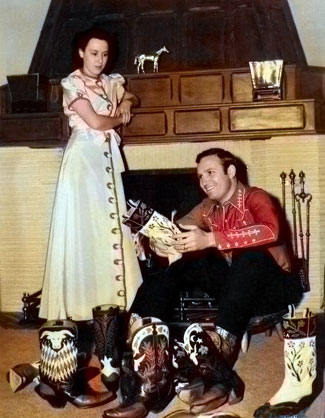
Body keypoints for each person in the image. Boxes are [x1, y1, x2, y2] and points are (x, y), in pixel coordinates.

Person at [103, 148, 303, 418]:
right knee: (185, 264)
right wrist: (158, 238)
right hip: (235, 290)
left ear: (231, 172)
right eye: (199, 176)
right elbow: (180, 226)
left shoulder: (256, 197)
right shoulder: (208, 208)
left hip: (273, 289)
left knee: (249, 257)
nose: (204, 181)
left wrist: (210, 239)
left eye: (211, 173)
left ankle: (218, 377)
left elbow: (270, 230)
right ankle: (148, 380)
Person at [38, 27, 142, 321]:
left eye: (105, 54)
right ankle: (82, 306)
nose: (100, 60)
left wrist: (125, 102)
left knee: (110, 226)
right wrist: (119, 118)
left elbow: (131, 95)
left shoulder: (111, 81)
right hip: (84, 160)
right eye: (94, 53)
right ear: (82, 52)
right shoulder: (72, 83)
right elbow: (95, 122)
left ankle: (112, 306)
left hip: (108, 158)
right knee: (86, 230)